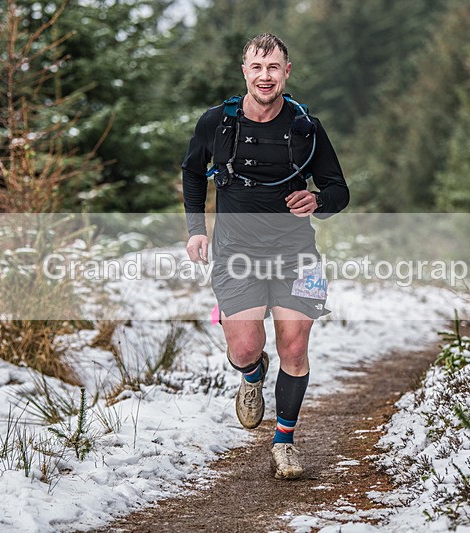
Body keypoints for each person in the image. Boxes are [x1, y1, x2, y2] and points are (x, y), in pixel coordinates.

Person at [181, 33, 349, 479]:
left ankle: (285, 442)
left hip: (296, 254)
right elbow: (193, 173)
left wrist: (318, 201)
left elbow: (339, 190)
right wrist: (196, 230)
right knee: (245, 347)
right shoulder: (217, 123)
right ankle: (252, 375)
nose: (265, 76)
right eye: (257, 67)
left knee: (294, 347)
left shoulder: (305, 128)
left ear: (286, 72)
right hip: (236, 254)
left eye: (273, 67)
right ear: (245, 72)